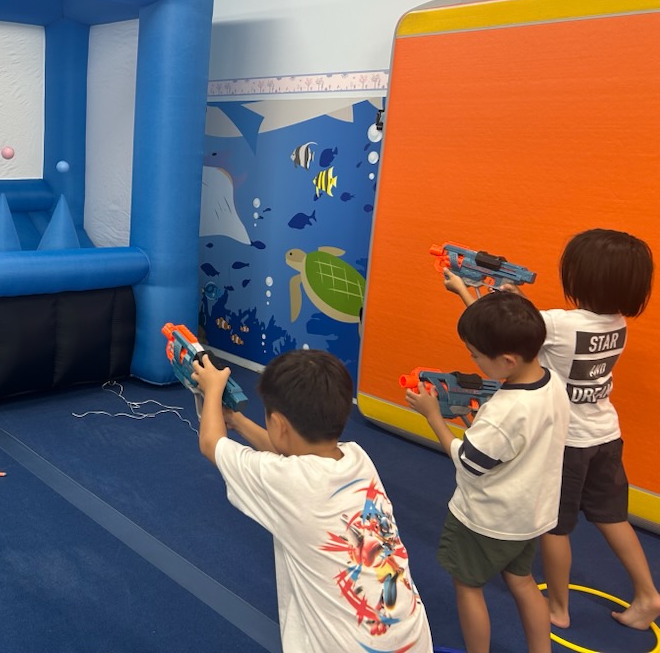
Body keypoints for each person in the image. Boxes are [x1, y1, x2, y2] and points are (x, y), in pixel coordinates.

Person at [444, 229, 660, 630]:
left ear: (585, 279)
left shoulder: (558, 323)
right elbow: (545, 334)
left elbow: (498, 333)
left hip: (568, 442)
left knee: (554, 527)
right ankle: (648, 594)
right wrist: (517, 298)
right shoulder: (617, 323)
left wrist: (462, 289)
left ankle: (558, 607)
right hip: (605, 434)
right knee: (613, 517)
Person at [192, 349, 434, 653]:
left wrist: (213, 390)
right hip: (413, 639)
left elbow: (210, 443)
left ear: (279, 424)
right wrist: (237, 422)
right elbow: (290, 457)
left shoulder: (287, 482)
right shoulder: (357, 457)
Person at [405, 291, 569, 653]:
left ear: (508, 361)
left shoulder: (503, 412)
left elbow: (469, 461)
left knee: (468, 587)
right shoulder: (554, 382)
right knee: (523, 582)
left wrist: (433, 416)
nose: (473, 361)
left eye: (476, 356)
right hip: (530, 516)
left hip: (486, 520)